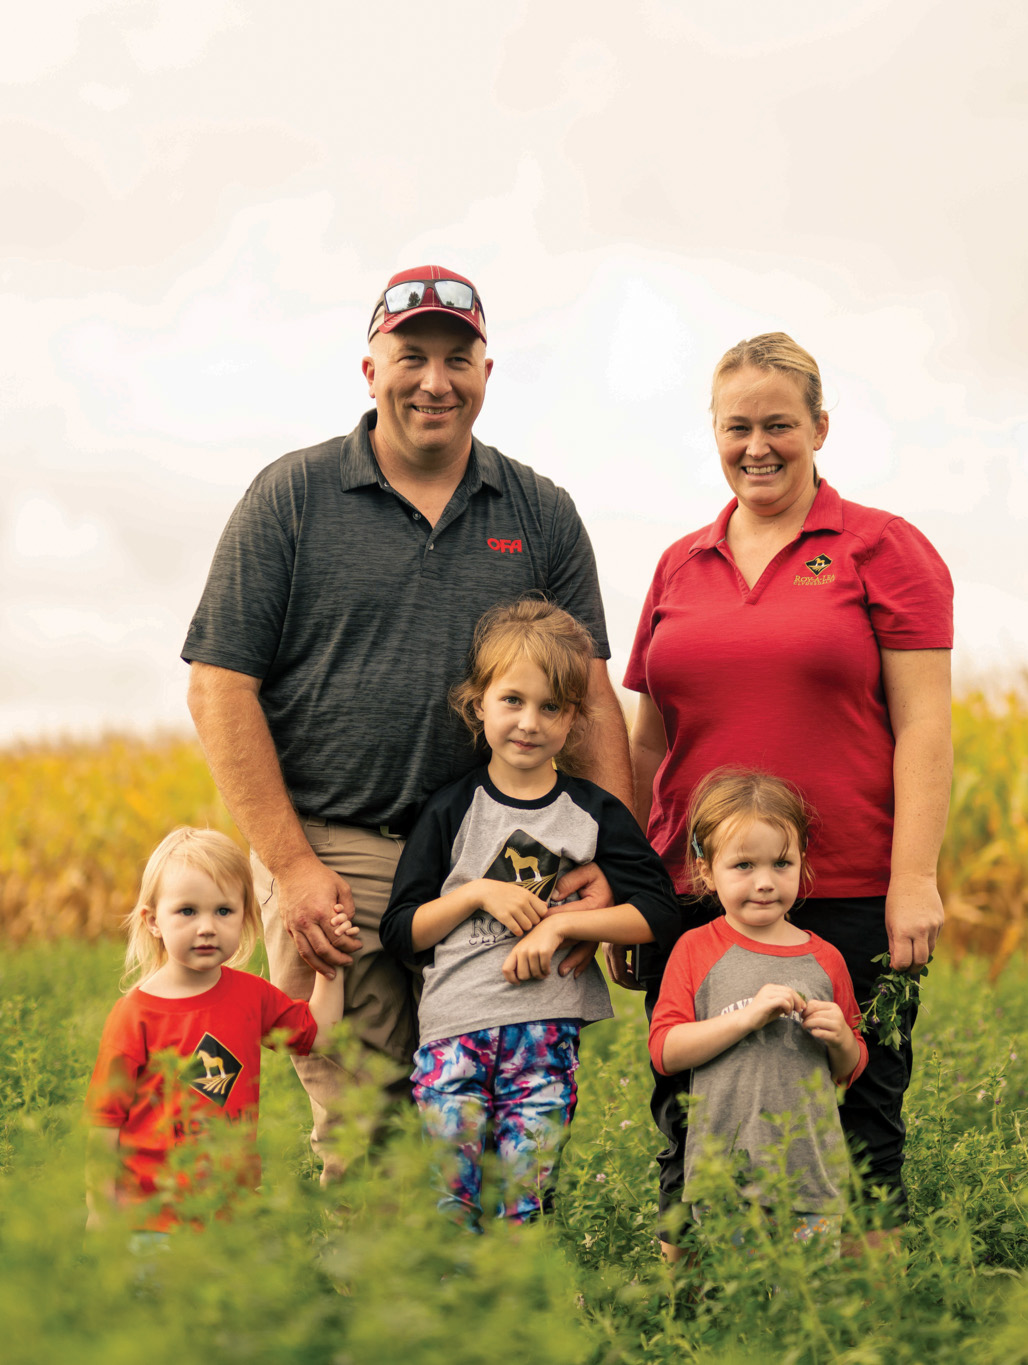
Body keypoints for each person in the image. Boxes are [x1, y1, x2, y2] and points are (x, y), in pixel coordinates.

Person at [182, 266, 634, 1174]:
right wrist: (293, 864)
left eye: (456, 358)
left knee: (501, 1100)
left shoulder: (540, 513)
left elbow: (586, 697)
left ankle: (481, 1299)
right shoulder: (294, 498)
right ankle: (373, 1306)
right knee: (369, 1112)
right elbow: (219, 686)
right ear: (369, 367)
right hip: (347, 850)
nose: (435, 379)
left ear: (486, 373)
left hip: (507, 851)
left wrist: (610, 866)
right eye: (412, 356)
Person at [620, 332, 954, 1253]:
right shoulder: (681, 563)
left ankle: (863, 1317)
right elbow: (648, 737)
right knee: (691, 1112)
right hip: (697, 892)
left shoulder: (883, 548)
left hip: (847, 886)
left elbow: (925, 724)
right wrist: (632, 880)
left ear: (819, 428)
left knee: (859, 1116)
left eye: (779, 424)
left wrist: (912, 878)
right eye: (737, 427)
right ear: (714, 433)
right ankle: (691, 1307)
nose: (757, 445)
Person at [379, 600, 678, 1228]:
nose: (529, 722)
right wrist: (475, 895)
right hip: (452, 1037)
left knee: (524, 1199)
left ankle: (519, 1316)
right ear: (478, 704)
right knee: (451, 1197)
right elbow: (401, 932)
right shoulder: (450, 810)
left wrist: (567, 924)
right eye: (512, 700)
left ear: (574, 718)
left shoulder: (592, 813)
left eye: (551, 707)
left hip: (544, 1036)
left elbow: (657, 911)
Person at [85, 827, 349, 1232]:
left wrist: (332, 956)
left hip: (233, 1220)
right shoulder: (134, 1015)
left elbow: (320, 1033)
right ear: (153, 921)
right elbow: (105, 1123)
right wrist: (100, 1212)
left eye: (223, 911)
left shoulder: (251, 996)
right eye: (187, 911)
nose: (206, 927)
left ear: (245, 915)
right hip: (151, 1224)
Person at [648, 770, 867, 1242]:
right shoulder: (695, 949)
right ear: (706, 871)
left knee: (802, 1301)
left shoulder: (825, 958)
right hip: (726, 1174)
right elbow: (665, 1051)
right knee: (738, 1299)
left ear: (802, 865)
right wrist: (746, 1018)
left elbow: (848, 1070)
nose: (765, 882)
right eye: (744, 866)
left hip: (810, 1175)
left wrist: (843, 1039)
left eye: (782, 864)